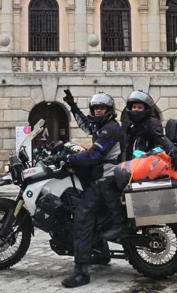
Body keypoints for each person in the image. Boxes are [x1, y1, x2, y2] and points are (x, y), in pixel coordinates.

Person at [57, 90, 124, 288]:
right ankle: (100, 251)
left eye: (101, 108)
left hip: (107, 178)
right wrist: (73, 106)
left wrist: (67, 158)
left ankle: (81, 271)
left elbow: (94, 156)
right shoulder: (102, 126)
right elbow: (86, 125)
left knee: (83, 216)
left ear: (110, 110)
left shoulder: (110, 129)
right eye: (95, 108)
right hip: (103, 175)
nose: (97, 111)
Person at [100, 91, 177, 241]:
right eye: (134, 107)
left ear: (147, 109)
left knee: (107, 185)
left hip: (143, 168)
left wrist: (173, 152)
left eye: (139, 107)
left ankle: (119, 225)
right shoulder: (133, 126)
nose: (136, 110)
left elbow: (161, 138)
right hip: (134, 166)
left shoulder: (151, 123)